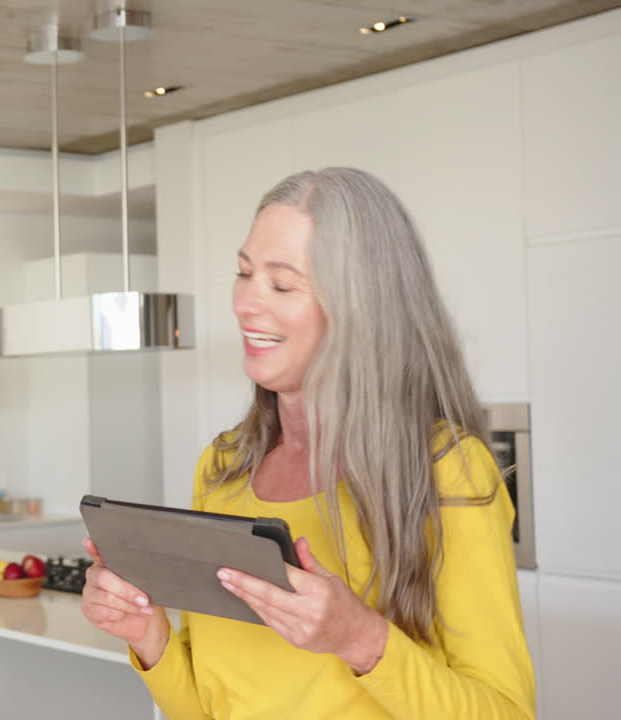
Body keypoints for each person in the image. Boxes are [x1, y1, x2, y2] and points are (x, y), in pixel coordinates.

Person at [80, 167, 535, 718]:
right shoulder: (224, 467)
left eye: (281, 284)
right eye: (244, 273)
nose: (244, 304)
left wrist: (360, 639)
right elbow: (206, 710)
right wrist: (148, 635)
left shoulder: (447, 471)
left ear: (361, 308)